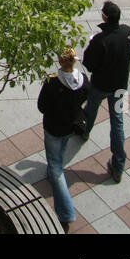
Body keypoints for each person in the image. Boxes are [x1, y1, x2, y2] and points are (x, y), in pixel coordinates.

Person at [80, 0, 130, 183]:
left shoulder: (100, 40)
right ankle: (118, 165)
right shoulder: (128, 32)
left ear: (104, 17)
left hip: (100, 86)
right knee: (118, 122)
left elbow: (88, 64)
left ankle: (84, 130)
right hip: (121, 86)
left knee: (91, 108)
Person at [37, 49, 90, 233]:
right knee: (60, 153)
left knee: (55, 165)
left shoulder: (52, 82)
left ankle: (66, 213)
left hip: (53, 127)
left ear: (60, 61)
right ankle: (54, 171)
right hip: (70, 126)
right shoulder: (83, 80)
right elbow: (86, 96)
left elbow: (41, 106)